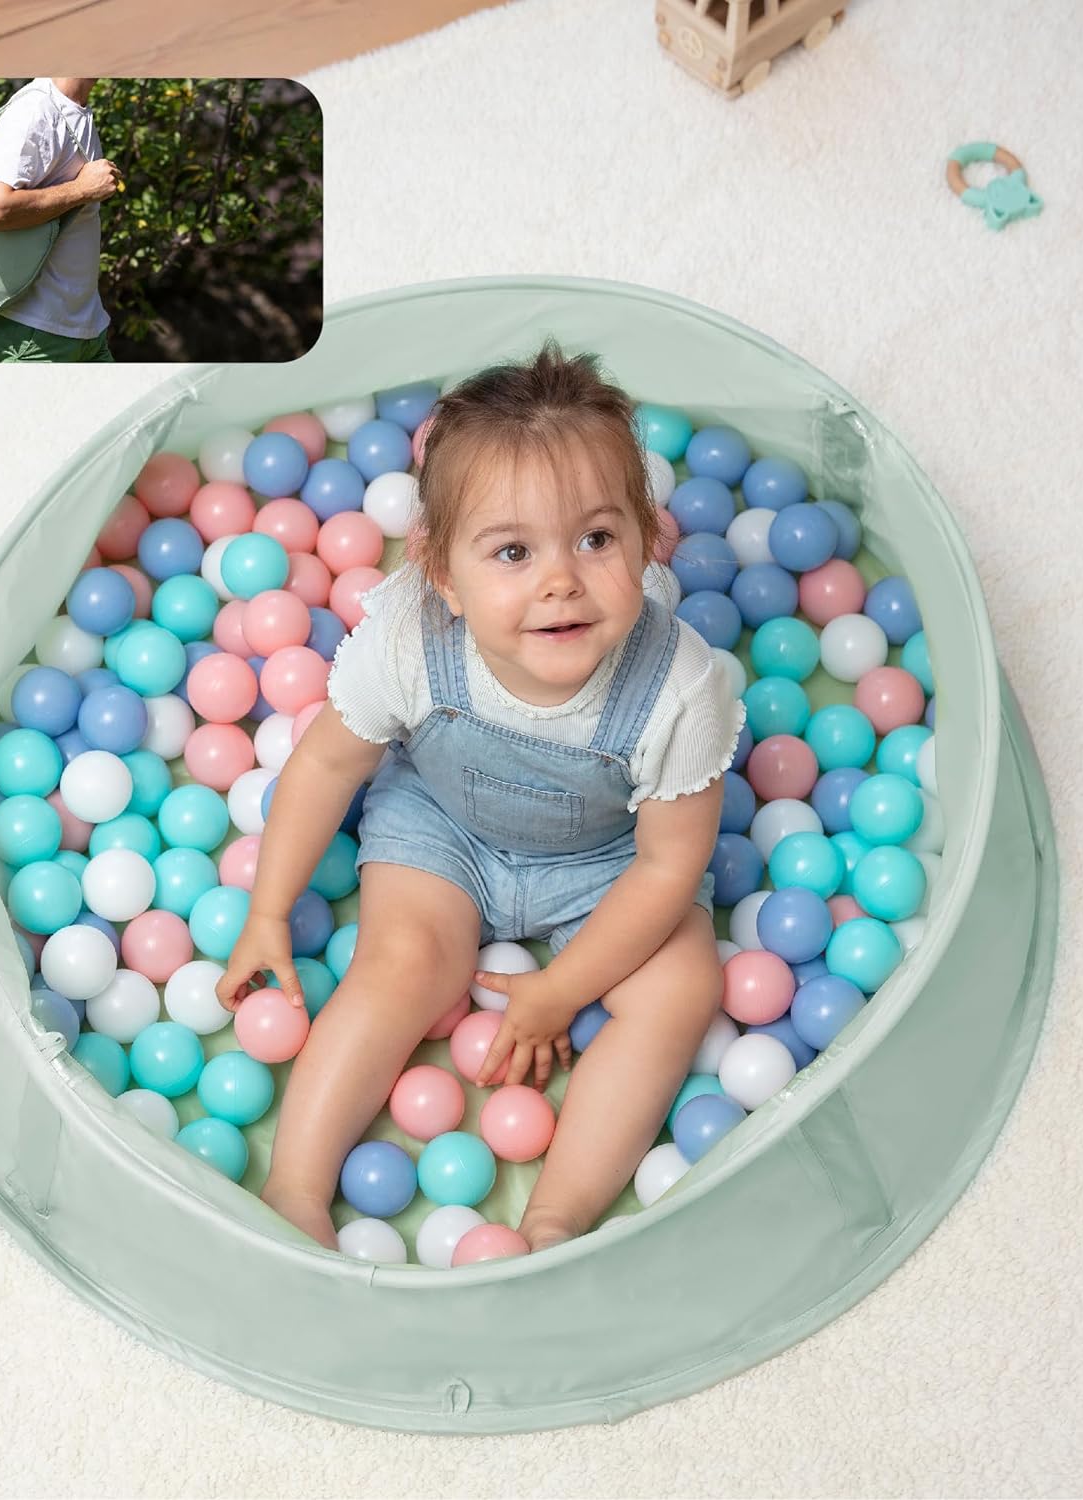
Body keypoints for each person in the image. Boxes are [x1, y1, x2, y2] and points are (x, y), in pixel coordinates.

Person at [215, 340, 746, 1255]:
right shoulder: (408, 641)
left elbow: (670, 866)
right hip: (444, 825)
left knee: (684, 985)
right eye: (512, 551)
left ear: (646, 539)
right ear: (442, 577)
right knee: (402, 962)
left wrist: (559, 993)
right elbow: (328, 767)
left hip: (608, 861)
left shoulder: (680, 688)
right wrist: (268, 913)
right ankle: (294, 1189)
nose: (560, 580)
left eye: (598, 539)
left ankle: (557, 1218)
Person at [0, 77, 120, 363]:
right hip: (30, 334)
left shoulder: (75, 108)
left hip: (84, 330)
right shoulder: (35, 109)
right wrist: (81, 189)